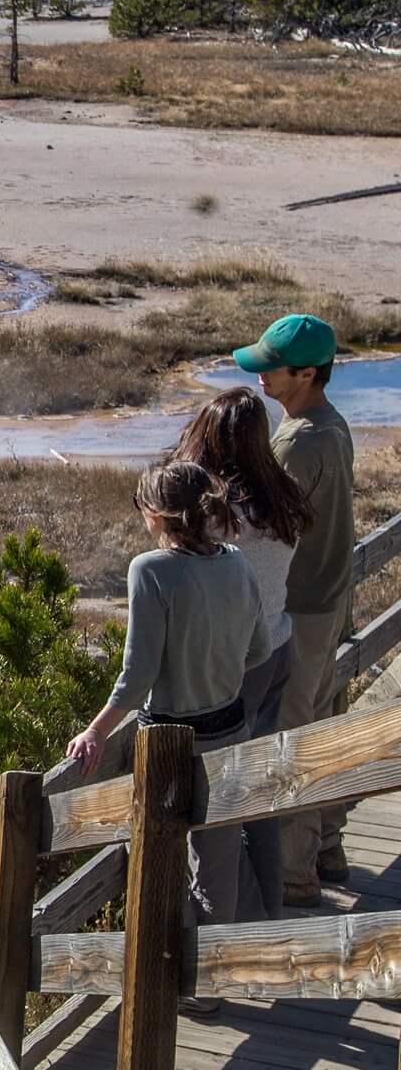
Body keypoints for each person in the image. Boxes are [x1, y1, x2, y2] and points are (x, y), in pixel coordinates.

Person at [67, 460, 270, 925]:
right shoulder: (238, 562)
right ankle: (209, 983)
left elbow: (138, 675)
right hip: (232, 728)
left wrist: (94, 732)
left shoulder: (151, 570)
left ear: (156, 514)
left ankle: (165, 972)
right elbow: (259, 649)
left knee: (156, 857)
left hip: (170, 745)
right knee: (216, 865)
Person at [233, 314, 355, 906]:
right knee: (322, 718)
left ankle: (295, 877)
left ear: (306, 374)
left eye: (271, 367)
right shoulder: (331, 424)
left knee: (292, 738)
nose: (260, 375)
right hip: (328, 600)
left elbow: (263, 529)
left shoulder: (296, 443)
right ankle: (327, 846)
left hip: (299, 610)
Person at [174, 390, 310, 914]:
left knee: (218, 804)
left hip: (233, 666)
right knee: (260, 794)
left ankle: (227, 935)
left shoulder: (221, 515)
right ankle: (269, 917)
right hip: (278, 646)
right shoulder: (283, 495)